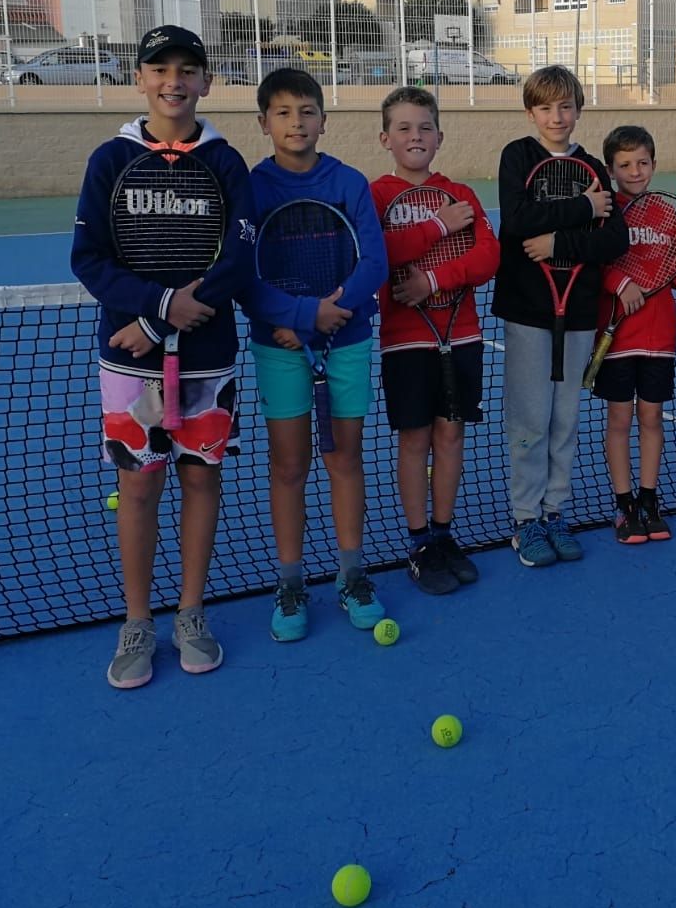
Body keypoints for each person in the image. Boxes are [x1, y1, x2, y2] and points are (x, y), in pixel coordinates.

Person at [71, 24, 255, 689]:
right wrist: (154, 313)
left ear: (206, 82)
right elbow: (88, 258)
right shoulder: (110, 160)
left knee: (201, 480)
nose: (173, 82)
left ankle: (191, 613)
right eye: (159, 69)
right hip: (129, 362)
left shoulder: (226, 162)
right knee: (140, 486)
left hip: (208, 360)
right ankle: (138, 621)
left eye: (186, 70)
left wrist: (170, 315)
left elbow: (240, 256)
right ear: (139, 79)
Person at [239, 68, 388, 640]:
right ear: (264, 123)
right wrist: (300, 317)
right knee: (288, 466)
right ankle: (290, 583)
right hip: (279, 347)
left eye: (306, 112)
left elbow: (373, 264)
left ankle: (352, 575)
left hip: (346, 342)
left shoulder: (348, 182)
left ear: (324, 120)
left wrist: (328, 314)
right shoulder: (253, 189)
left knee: (345, 459)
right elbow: (244, 276)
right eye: (283, 112)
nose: (296, 122)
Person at [493, 65, 628, 566]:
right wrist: (582, 209)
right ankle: (525, 519)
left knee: (565, 419)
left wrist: (558, 243)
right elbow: (516, 221)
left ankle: (554, 511)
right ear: (531, 113)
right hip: (528, 312)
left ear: (578, 110)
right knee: (530, 419)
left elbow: (615, 238)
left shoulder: (592, 167)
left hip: (578, 313)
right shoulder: (518, 156)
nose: (556, 116)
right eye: (545, 107)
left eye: (565, 106)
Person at [371, 86, 500, 594]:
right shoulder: (376, 195)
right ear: (385, 138)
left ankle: (444, 535)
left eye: (425, 127)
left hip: (461, 335)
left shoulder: (460, 194)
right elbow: (379, 253)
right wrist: (437, 226)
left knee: (450, 436)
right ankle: (419, 541)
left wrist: (431, 280)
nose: (415, 136)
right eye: (403, 127)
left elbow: (488, 257)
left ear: (440, 136)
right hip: (404, 341)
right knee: (414, 439)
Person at [592, 125, 676, 544]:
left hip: (659, 336)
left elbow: (674, 279)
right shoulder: (604, 212)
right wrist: (620, 283)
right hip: (616, 335)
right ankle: (624, 505)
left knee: (651, 417)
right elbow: (594, 264)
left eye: (642, 162)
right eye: (625, 165)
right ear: (611, 169)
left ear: (654, 164)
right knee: (619, 418)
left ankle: (649, 500)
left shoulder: (667, 212)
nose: (635, 171)